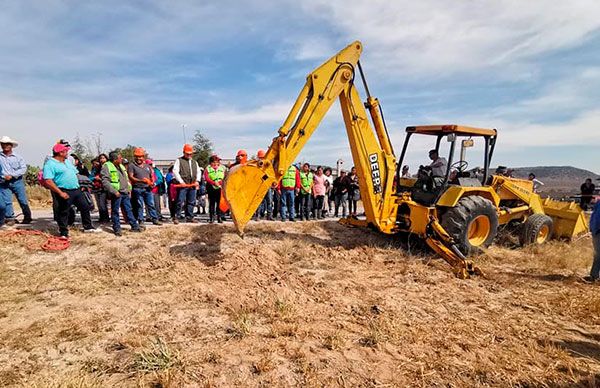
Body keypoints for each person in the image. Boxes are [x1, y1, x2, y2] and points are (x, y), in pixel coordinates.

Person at [43, 143, 98, 238]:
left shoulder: (67, 162)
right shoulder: (50, 164)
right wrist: (60, 193)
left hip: (76, 189)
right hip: (63, 190)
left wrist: (82, 185)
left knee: (85, 207)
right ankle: (64, 232)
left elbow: (76, 173)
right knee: (63, 211)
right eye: (66, 151)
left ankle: (88, 227)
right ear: (60, 152)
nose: (67, 153)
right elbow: (48, 180)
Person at [101, 151, 142, 236]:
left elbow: (126, 179)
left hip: (125, 192)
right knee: (115, 211)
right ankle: (117, 228)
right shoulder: (106, 166)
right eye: (119, 158)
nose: (121, 159)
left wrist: (129, 189)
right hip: (117, 193)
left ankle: (135, 226)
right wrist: (114, 191)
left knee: (128, 210)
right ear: (115, 159)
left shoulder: (121, 166)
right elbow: (105, 181)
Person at [0, 136, 32, 224]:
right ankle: (10, 218)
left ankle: (27, 216)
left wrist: (12, 175)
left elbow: (23, 169)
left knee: (22, 200)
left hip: (17, 181)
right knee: (7, 201)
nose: (4, 146)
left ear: (11, 145)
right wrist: (3, 176)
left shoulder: (18, 157)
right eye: (3, 144)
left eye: (7, 144)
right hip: (4, 182)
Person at [128, 148, 161, 226]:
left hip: (148, 189)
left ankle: (155, 219)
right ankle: (141, 220)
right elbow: (131, 177)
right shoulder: (131, 165)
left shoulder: (147, 166)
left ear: (143, 157)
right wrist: (141, 180)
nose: (139, 158)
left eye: (141, 156)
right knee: (139, 205)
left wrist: (152, 182)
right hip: (137, 188)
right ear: (134, 157)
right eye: (137, 156)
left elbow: (151, 175)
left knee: (151, 204)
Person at [173, 144, 202, 224]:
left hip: (192, 185)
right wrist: (181, 181)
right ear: (184, 152)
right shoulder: (179, 160)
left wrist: (197, 181)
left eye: (190, 153)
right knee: (180, 201)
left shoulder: (195, 162)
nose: (189, 155)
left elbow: (198, 172)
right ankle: (177, 217)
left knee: (191, 201)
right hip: (183, 185)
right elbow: (175, 171)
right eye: (187, 153)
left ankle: (189, 216)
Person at [204, 154, 227, 223]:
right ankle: (212, 218)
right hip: (211, 187)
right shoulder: (207, 169)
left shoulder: (222, 168)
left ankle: (219, 217)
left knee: (219, 203)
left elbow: (225, 177)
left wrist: (219, 182)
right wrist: (214, 183)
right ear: (210, 163)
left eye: (217, 162)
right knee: (212, 203)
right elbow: (206, 178)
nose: (215, 163)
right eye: (213, 162)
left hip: (220, 187)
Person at [90, 154, 110, 223]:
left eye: (103, 158)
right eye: (101, 158)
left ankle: (106, 218)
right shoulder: (96, 169)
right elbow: (90, 177)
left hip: (104, 188)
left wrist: (102, 180)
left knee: (102, 204)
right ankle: (102, 218)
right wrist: (95, 178)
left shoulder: (109, 167)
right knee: (99, 205)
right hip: (96, 188)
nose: (102, 160)